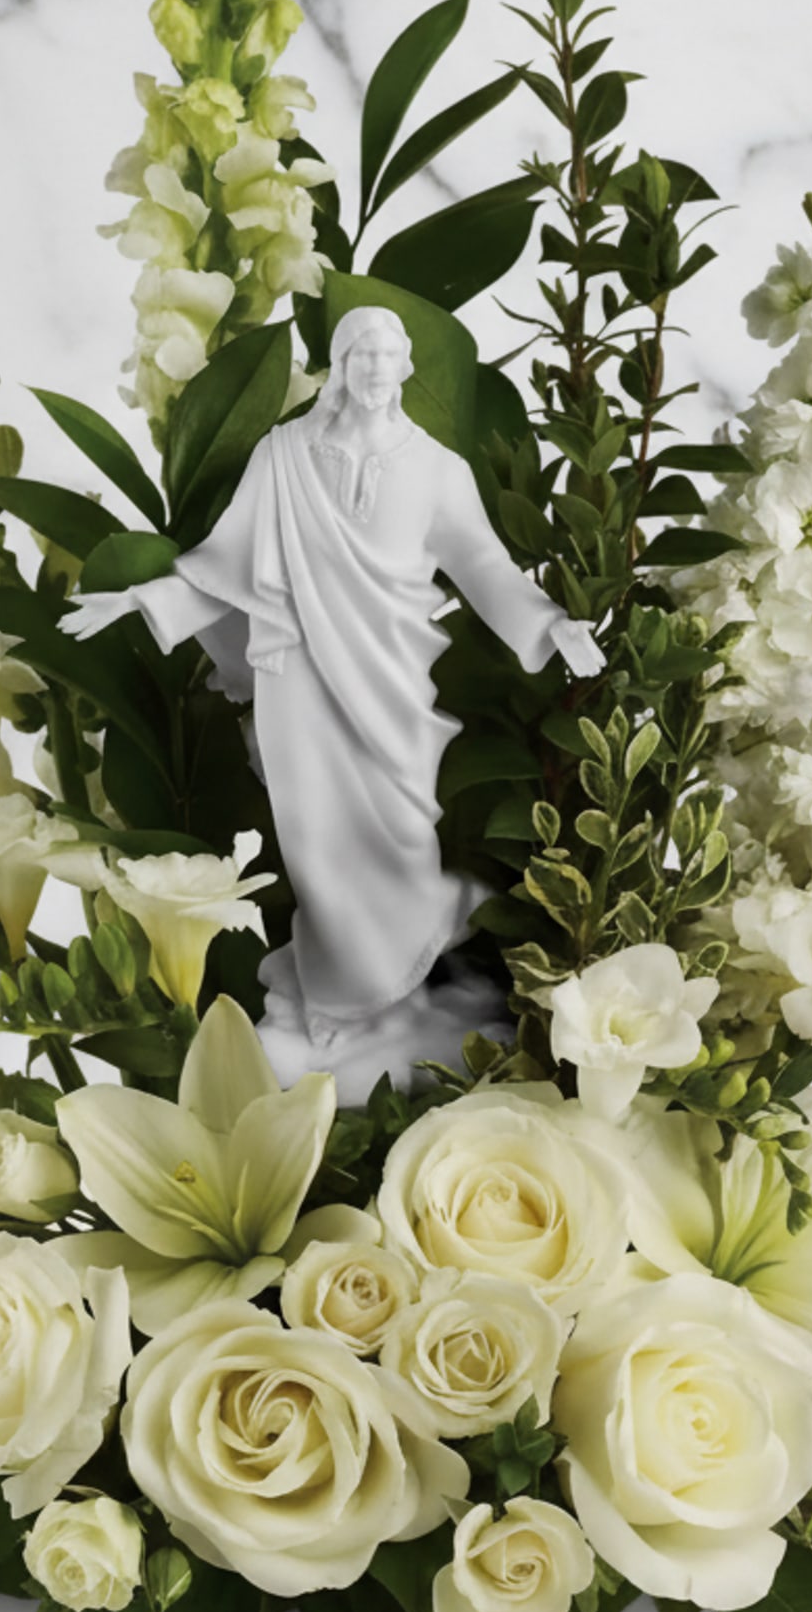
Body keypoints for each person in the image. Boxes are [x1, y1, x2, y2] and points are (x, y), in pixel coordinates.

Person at [62, 306, 601, 1079]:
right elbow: (230, 564)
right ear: (342, 367)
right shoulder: (283, 458)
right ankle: (338, 1012)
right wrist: (142, 602)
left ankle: (402, 983)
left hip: (391, 683)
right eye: (361, 355)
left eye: (389, 355)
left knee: (400, 835)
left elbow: (484, 567)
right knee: (313, 843)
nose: (376, 370)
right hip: (299, 682)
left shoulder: (436, 469)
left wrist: (553, 629)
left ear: (406, 367)